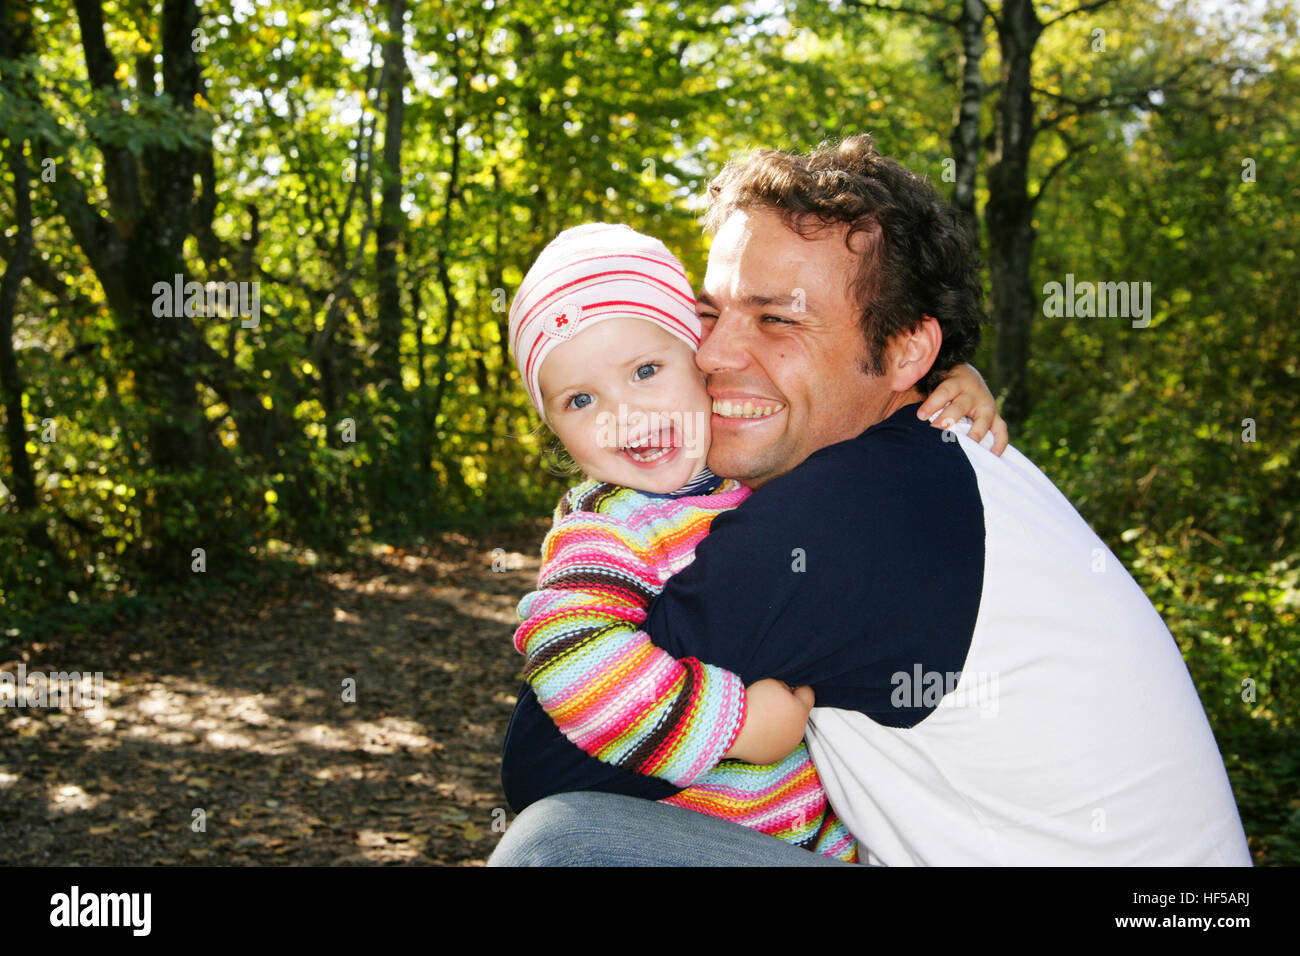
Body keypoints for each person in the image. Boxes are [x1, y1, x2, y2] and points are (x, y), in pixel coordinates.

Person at [490, 135, 1252, 866]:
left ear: (907, 352)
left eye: (778, 318)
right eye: (711, 314)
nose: (715, 355)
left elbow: (547, 769)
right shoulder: (931, 457)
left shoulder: (854, 508)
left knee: (562, 844)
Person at [497, 222, 1005, 864]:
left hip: (810, 837)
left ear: (701, 363)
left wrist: (941, 381)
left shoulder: (742, 471)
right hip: (693, 832)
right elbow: (571, 661)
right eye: (579, 400)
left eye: (646, 370)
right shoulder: (606, 527)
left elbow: (843, 410)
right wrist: (735, 723)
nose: (621, 413)